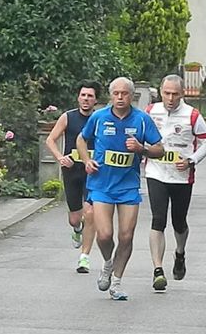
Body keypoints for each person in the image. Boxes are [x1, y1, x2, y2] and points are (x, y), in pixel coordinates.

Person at [77, 77, 164, 300]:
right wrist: (87, 160)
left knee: (126, 236)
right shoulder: (99, 117)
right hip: (101, 185)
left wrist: (141, 148)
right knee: (105, 235)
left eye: (124, 94)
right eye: (115, 93)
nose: (119, 97)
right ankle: (108, 262)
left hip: (128, 186)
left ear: (131, 96)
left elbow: (160, 149)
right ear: (110, 96)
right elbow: (81, 139)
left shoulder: (142, 120)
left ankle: (116, 282)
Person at [144, 74, 206, 291]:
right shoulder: (149, 111)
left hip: (182, 178)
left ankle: (180, 253)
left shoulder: (192, 115)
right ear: (160, 92)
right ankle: (157, 269)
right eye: (167, 93)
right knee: (158, 220)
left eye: (175, 94)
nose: (170, 98)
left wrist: (191, 160)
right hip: (156, 173)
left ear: (182, 94)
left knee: (179, 222)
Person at [45, 80, 100, 273]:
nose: (86, 99)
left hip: (92, 172)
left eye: (90, 96)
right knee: (75, 219)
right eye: (83, 95)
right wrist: (60, 157)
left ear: (96, 100)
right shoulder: (68, 117)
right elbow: (50, 140)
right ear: (78, 97)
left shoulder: (100, 119)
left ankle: (84, 258)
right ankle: (77, 230)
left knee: (91, 213)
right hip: (71, 171)